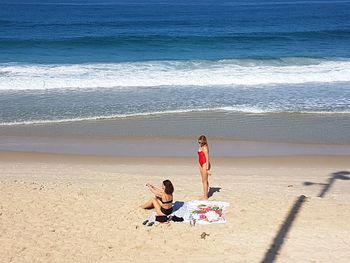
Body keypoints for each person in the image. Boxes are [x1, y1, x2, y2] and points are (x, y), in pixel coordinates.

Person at [198, 135, 210, 200]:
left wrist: (207, 169)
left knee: (205, 181)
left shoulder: (205, 148)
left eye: (202, 143)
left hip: (205, 164)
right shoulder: (200, 146)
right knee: (203, 180)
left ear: (204, 142)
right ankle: (205, 193)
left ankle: (205, 196)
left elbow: (207, 159)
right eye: (199, 142)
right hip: (201, 164)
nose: (200, 144)